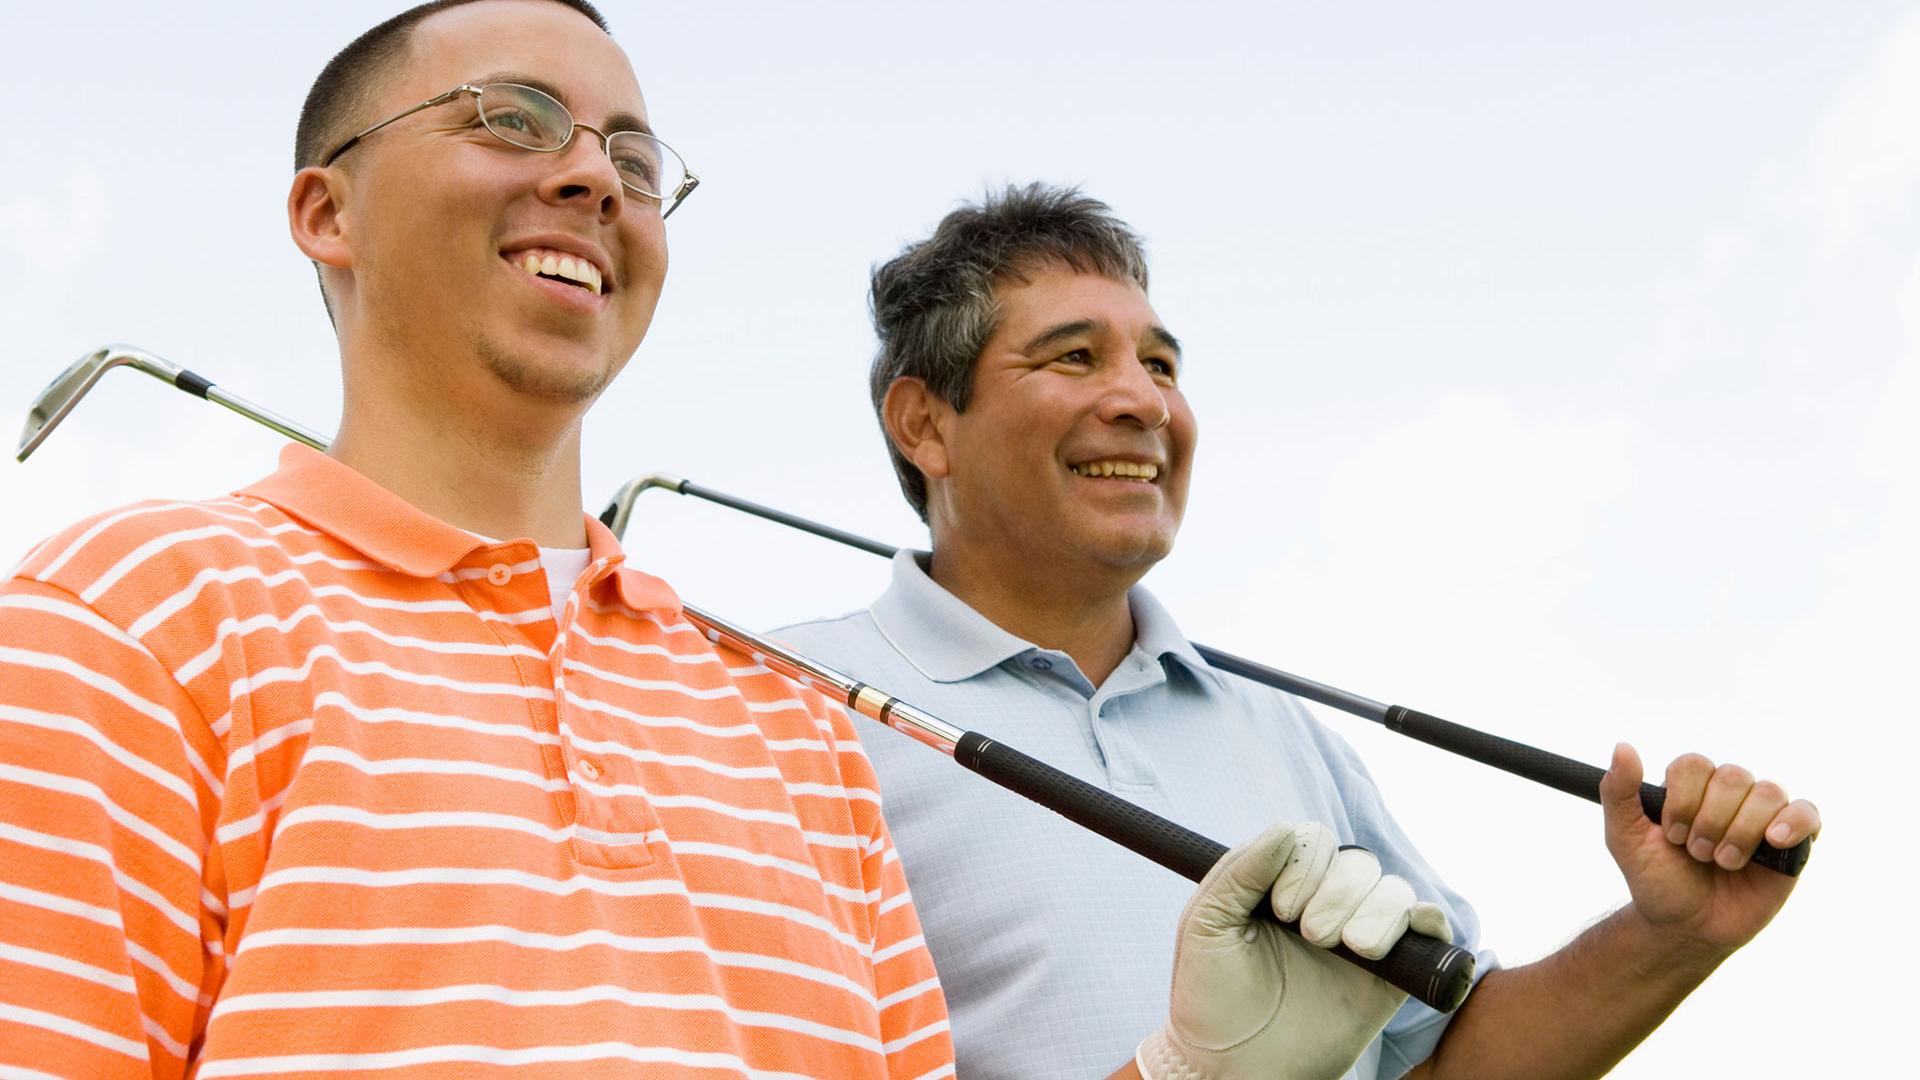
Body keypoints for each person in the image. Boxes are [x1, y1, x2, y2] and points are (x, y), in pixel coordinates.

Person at [0, 2, 960, 1075]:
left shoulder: (800, 731)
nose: (597, 180)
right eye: (511, 117)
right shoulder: (129, 620)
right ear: (328, 212)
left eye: (636, 163)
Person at [774, 184, 1823, 1079]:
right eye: (1074, 357)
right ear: (924, 424)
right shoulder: (779, 710)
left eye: (1163, 365)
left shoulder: (1282, 735)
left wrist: (1672, 937)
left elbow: (1445, 1056)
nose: (1143, 401)